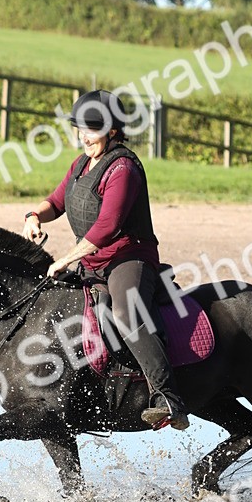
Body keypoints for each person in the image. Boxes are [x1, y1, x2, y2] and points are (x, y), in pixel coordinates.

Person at [24, 89, 189, 430]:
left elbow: (107, 227)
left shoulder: (123, 168)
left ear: (113, 130)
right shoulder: (82, 164)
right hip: (93, 262)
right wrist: (33, 215)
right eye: (80, 128)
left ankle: (168, 398)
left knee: (126, 313)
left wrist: (65, 259)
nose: (84, 136)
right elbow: (56, 202)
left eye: (92, 129)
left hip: (129, 260)